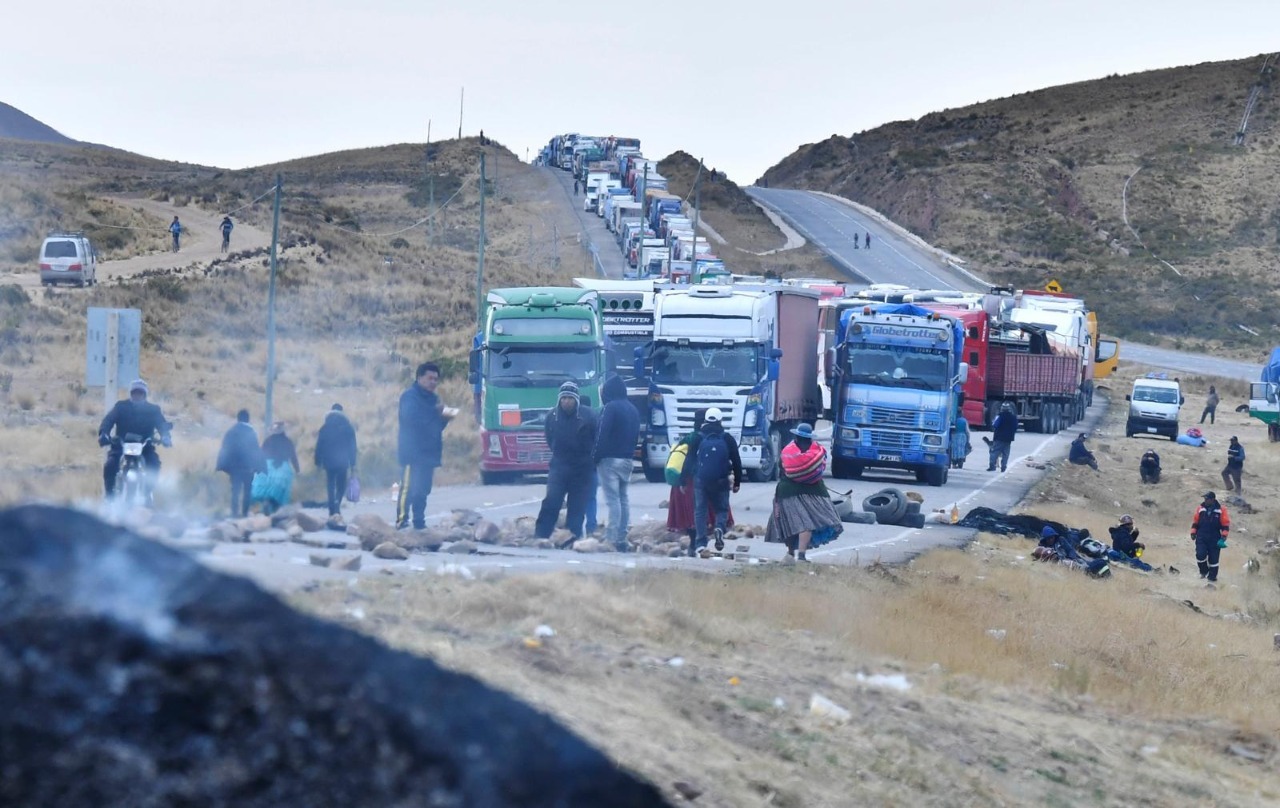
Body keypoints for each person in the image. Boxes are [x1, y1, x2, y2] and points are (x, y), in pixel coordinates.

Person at [766, 423, 843, 563]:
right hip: (813, 490)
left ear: (796, 436)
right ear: (810, 438)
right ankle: (801, 556)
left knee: (790, 524)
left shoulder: (788, 451)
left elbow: (782, 469)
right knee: (807, 524)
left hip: (787, 491)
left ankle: (790, 554)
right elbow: (820, 468)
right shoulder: (817, 451)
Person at [535, 381, 598, 545]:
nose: (566, 401)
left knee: (577, 505)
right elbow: (549, 439)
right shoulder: (552, 416)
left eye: (570, 398)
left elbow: (596, 439)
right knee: (552, 501)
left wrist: (591, 460)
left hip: (582, 467)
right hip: (559, 466)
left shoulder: (588, 416)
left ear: (576, 399)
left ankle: (572, 537)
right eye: (563, 398)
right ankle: (541, 535)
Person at [667, 408, 735, 552]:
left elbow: (687, 460)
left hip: (691, 481)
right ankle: (716, 530)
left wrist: (682, 481)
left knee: (696, 513)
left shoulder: (690, 437)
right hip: (711, 480)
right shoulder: (720, 437)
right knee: (716, 511)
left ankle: (696, 544)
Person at [397, 362, 454, 530]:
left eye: (436, 379)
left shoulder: (434, 399)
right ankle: (402, 520)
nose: (433, 382)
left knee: (423, 490)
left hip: (429, 453)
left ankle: (419, 521)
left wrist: (444, 418)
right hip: (411, 451)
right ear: (419, 377)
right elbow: (411, 419)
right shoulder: (409, 396)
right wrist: (434, 413)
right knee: (408, 488)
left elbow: (435, 427)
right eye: (430, 378)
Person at [98, 379, 172, 500]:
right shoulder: (121, 407)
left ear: (145, 395)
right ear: (131, 393)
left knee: (154, 464)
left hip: (145, 447)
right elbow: (108, 420)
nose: (137, 395)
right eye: (135, 393)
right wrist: (104, 434)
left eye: (140, 393)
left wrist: (165, 436)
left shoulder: (153, 410)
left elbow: (161, 424)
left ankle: (148, 493)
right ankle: (109, 496)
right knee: (110, 465)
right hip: (121, 446)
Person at [594, 375, 640, 552]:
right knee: (623, 498)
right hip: (627, 459)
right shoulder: (633, 409)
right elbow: (636, 437)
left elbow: (601, 434)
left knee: (613, 500)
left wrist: (595, 456)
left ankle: (611, 537)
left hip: (609, 459)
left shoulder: (610, 408)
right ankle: (622, 535)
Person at [692, 407, 743, 555]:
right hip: (721, 480)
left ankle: (700, 543)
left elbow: (689, 459)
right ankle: (719, 528)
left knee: (700, 510)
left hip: (701, 480)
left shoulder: (698, 437)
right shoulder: (727, 438)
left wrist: (683, 480)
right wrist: (737, 482)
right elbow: (736, 461)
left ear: (706, 420)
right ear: (721, 420)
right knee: (721, 509)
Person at [215, 409, 263, 517]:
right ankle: (245, 514)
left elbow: (224, 449)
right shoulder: (251, 432)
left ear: (238, 418)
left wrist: (221, 465)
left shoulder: (231, 432)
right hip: (248, 468)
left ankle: (234, 514)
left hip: (234, 468)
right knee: (247, 491)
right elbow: (255, 450)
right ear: (248, 419)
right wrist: (258, 466)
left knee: (235, 491)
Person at [315, 403, 358, 520]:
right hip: (342, 461)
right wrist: (353, 463)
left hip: (328, 461)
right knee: (341, 485)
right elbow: (352, 447)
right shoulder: (348, 428)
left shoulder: (324, 428)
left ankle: (331, 510)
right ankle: (337, 505)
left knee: (330, 484)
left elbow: (319, 446)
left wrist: (318, 462)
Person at [255, 422, 300, 515]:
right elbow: (293, 457)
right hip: (283, 467)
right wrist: (297, 469)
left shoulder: (268, 440)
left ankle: (266, 503)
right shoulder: (288, 441)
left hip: (268, 467)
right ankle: (278, 510)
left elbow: (261, 455)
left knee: (267, 487)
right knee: (282, 489)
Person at [1191, 491, 1230, 584]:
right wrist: (1193, 532)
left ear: (1213, 500)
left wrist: (1224, 536)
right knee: (1200, 555)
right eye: (1204, 499)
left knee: (1214, 560)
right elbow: (1195, 522)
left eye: (1207, 499)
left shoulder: (1221, 510)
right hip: (1201, 536)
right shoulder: (1200, 508)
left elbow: (1225, 525)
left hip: (1214, 538)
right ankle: (1204, 571)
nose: (1205, 500)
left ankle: (1212, 579)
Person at [987, 402, 1018, 472]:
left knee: (995, 451)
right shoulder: (1013, 417)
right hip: (1008, 439)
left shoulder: (999, 417)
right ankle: (1003, 467)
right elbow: (1016, 427)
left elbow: (994, 425)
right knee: (1006, 453)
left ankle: (992, 466)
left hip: (999, 437)